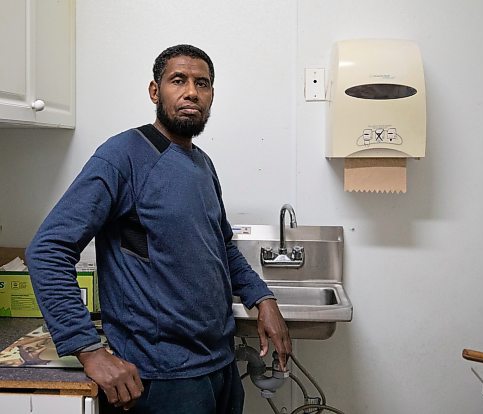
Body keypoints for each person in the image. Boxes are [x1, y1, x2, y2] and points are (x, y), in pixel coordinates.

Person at [26, 44, 292, 413]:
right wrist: (88, 349)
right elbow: (48, 250)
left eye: (203, 83)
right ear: (155, 91)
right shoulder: (123, 156)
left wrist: (263, 298)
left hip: (218, 364)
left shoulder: (202, 164)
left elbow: (223, 246)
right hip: (162, 377)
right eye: (178, 80)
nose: (191, 92)